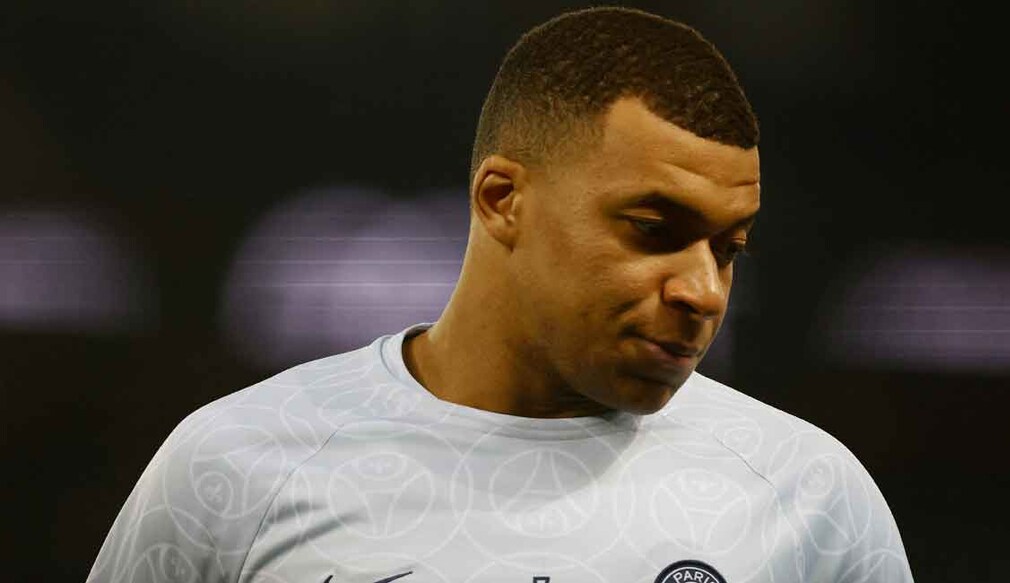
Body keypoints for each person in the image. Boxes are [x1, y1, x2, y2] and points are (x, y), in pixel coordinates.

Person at [88, 7, 913, 583]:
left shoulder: (807, 492)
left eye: (728, 249)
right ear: (500, 199)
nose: (702, 290)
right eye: (652, 227)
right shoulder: (233, 465)